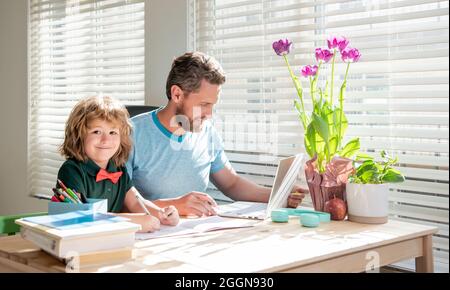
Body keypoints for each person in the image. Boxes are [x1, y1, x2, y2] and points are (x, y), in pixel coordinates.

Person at [126, 52, 309, 217]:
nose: (210, 114)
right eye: (204, 104)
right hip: (150, 237)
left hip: (194, 234)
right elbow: (115, 204)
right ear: (177, 94)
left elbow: (231, 184)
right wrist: (174, 205)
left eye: (213, 105)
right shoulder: (130, 134)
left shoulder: (206, 132)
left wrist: (279, 195)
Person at [57, 96, 179, 232]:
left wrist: (161, 214)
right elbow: (80, 218)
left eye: (113, 132)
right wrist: (132, 222)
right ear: (78, 136)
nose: (106, 140)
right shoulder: (72, 171)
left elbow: (135, 202)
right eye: (96, 132)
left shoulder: (118, 168)